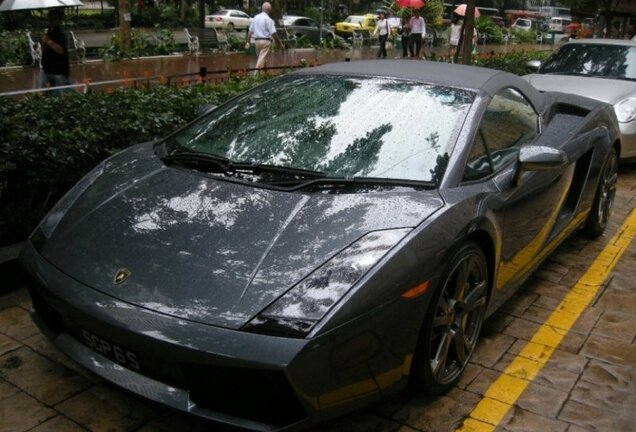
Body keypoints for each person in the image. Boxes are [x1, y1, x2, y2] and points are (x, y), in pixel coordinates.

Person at [245, 2, 283, 70]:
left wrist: (247, 42)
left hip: (257, 42)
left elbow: (250, 32)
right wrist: (279, 43)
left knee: (261, 58)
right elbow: (274, 33)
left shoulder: (256, 18)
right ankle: (256, 76)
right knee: (261, 60)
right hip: (266, 42)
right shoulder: (268, 19)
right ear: (269, 10)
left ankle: (264, 73)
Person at [40, 9, 70, 92]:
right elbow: (45, 48)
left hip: (59, 70)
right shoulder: (48, 32)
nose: (50, 20)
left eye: (54, 18)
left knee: (63, 94)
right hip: (46, 69)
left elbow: (61, 50)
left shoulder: (61, 34)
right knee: (43, 94)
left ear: (60, 20)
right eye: (49, 18)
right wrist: (44, 42)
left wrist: (49, 41)